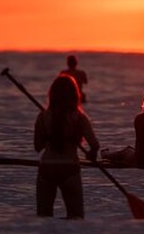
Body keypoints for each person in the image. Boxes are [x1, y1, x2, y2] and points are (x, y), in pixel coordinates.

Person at [34, 74, 100, 219]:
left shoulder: (43, 116)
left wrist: (49, 137)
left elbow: (37, 147)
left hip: (47, 169)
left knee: (43, 218)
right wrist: (91, 154)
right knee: (76, 218)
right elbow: (95, 145)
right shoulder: (80, 118)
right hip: (70, 169)